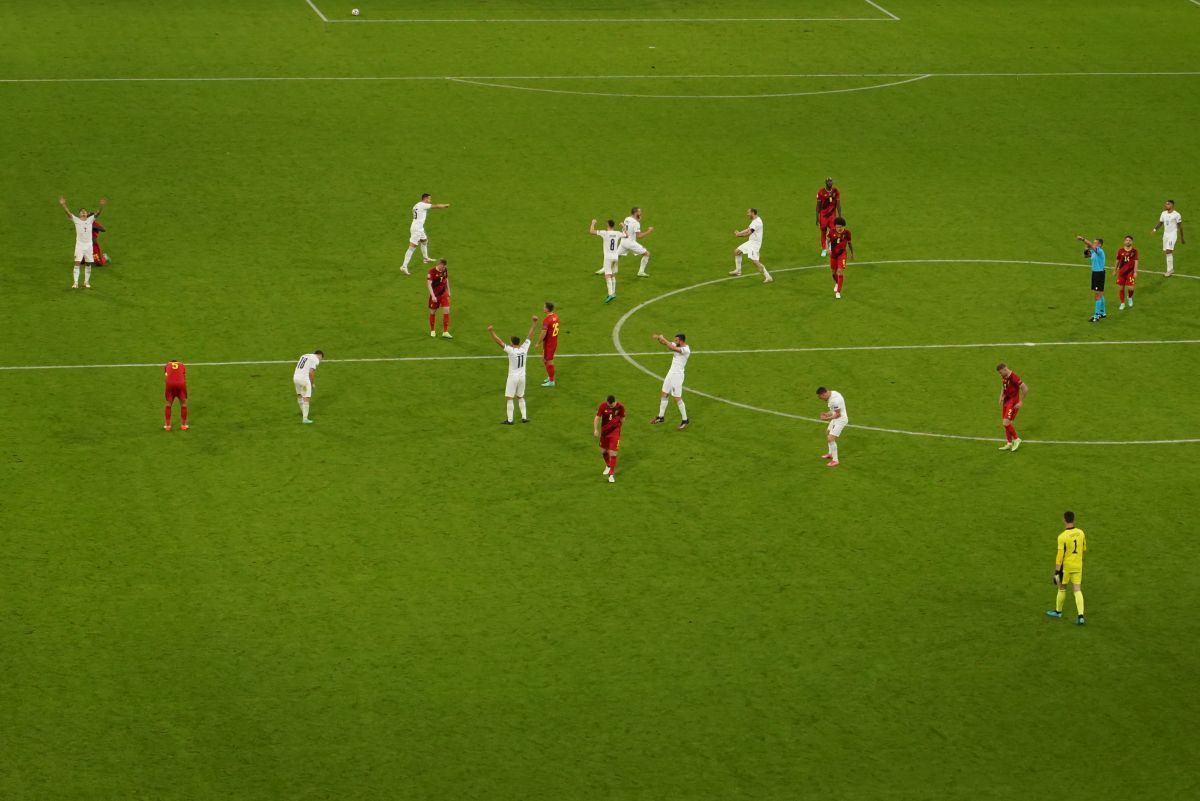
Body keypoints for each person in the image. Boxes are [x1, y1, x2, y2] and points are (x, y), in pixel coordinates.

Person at [488, 317, 539, 424]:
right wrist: (534, 323)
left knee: (509, 397)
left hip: (513, 377)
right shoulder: (524, 348)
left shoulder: (511, 351)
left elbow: (499, 342)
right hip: (522, 377)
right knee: (520, 396)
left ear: (512, 343)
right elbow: (530, 335)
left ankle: (510, 420)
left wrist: (491, 331)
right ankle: (524, 417)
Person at [1046, 511, 1087, 626]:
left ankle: (1058, 612)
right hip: (1078, 565)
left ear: (1064, 520)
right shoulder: (1081, 533)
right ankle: (1081, 616)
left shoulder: (1062, 537)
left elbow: (1060, 556)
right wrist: (1079, 560)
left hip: (1066, 567)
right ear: (1073, 519)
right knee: (1077, 589)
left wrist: (1056, 572)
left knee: (1061, 587)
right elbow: (1084, 549)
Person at [58, 195, 107, 289]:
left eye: (85, 212)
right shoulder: (76, 220)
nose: (84, 212)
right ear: (79, 214)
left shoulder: (90, 219)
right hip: (80, 245)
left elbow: (97, 214)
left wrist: (101, 206)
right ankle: (75, 283)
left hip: (89, 246)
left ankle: (86, 282)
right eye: (82, 212)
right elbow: (68, 213)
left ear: (86, 214)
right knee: (77, 263)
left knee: (89, 264)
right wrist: (63, 205)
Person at [401, 193, 450, 275]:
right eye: (429, 199)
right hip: (417, 229)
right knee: (412, 247)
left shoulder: (416, 205)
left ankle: (425, 258)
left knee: (424, 241)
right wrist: (445, 205)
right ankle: (404, 266)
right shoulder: (423, 205)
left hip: (419, 228)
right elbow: (436, 206)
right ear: (425, 199)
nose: (430, 201)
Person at [649, 333, 690, 430]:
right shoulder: (677, 345)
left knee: (677, 398)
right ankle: (661, 417)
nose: (675, 342)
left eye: (676, 340)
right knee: (664, 393)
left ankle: (685, 419)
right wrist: (659, 338)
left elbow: (672, 348)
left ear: (681, 340)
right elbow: (665, 343)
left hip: (677, 376)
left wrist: (664, 339)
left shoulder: (686, 349)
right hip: (670, 373)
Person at [729, 207, 773, 283]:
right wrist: (739, 232)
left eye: (748, 213)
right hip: (751, 242)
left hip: (754, 245)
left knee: (755, 262)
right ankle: (738, 271)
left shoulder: (757, 222)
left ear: (753, 213)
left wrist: (739, 235)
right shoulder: (755, 220)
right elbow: (748, 229)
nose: (747, 214)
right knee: (737, 251)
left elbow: (748, 233)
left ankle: (768, 277)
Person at [995, 363, 1028, 451]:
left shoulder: (1014, 378)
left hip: (1012, 403)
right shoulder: (1004, 376)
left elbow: (1025, 388)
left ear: (1005, 369)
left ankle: (1017, 439)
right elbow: (1004, 386)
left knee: (1006, 423)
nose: (1000, 375)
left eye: (1000, 373)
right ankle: (1009, 443)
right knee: (1007, 423)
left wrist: (1021, 401)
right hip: (1006, 401)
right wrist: (1001, 395)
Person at [594, 395, 625, 484]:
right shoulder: (603, 406)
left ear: (614, 402)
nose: (609, 405)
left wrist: (619, 427)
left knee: (613, 452)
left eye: (610, 405)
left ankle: (611, 474)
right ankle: (608, 465)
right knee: (604, 451)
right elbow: (597, 418)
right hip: (605, 433)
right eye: (608, 404)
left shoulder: (620, 407)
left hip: (615, 432)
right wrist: (596, 429)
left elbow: (623, 418)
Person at [1075, 235, 1106, 321]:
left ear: (1100, 245)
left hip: (1098, 274)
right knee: (1100, 294)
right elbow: (1085, 255)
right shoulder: (1094, 252)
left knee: (1097, 296)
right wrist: (1086, 247)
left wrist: (1083, 239)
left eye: (1095, 243)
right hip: (1096, 274)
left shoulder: (1099, 251)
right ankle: (1103, 312)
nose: (1093, 244)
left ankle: (1096, 316)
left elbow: (1091, 246)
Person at [590, 218, 623, 302]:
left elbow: (592, 231)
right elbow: (627, 235)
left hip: (608, 258)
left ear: (607, 225)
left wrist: (593, 223)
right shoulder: (617, 233)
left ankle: (610, 294)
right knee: (613, 274)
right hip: (615, 257)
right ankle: (614, 292)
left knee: (607, 275)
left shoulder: (605, 233)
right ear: (614, 225)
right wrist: (624, 227)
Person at [618, 206, 654, 277]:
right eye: (639, 212)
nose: (640, 213)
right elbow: (639, 236)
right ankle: (641, 272)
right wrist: (649, 231)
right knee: (647, 254)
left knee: (615, 256)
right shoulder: (636, 223)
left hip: (623, 241)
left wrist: (638, 221)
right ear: (635, 213)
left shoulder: (627, 218)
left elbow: (631, 225)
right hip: (630, 243)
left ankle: (604, 269)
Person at [816, 386, 848, 467]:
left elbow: (838, 414)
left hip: (841, 420)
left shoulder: (834, 400)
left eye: (820, 397)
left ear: (823, 394)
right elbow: (834, 411)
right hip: (836, 417)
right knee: (827, 432)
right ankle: (830, 453)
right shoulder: (832, 393)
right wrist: (826, 414)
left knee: (830, 438)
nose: (821, 399)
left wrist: (826, 418)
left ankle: (835, 460)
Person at [1152, 199, 1184, 277]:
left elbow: (1180, 226)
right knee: (1167, 252)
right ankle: (1171, 269)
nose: (1166, 205)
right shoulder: (1163, 213)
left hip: (1172, 235)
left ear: (1172, 205)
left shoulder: (1177, 215)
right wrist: (1155, 229)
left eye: (1168, 204)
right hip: (1165, 235)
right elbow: (1161, 222)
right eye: (1166, 204)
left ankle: (1169, 270)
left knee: (1168, 251)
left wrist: (1182, 237)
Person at [293, 350, 323, 424]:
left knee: (299, 395)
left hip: (295, 377)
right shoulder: (316, 359)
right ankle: (305, 419)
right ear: (320, 355)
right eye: (321, 358)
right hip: (304, 379)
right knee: (306, 398)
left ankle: (303, 412)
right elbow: (311, 372)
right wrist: (312, 383)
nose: (320, 360)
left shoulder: (304, 355)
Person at [827, 217, 854, 299]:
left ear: (843, 226)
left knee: (840, 271)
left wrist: (852, 253)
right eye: (837, 227)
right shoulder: (831, 232)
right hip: (833, 255)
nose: (838, 228)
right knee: (833, 273)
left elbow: (849, 243)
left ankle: (838, 292)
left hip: (842, 255)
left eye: (840, 227)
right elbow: (827, 240)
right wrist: (827, 248)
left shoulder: (847, 233)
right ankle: (837, 283)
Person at [815, 177, 842, 256]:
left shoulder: (836, 191)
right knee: (823, 232)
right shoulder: (821, 192)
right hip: (823, 216)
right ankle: (824, 249)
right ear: (826, 183)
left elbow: (838, 205)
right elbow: (818, 206)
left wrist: (840, 216)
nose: (830, 183)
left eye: (831, 181)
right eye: (828, 181)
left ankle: (830, 247)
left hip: (832, 216)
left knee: (833, 232)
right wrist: (817, 216)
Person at [427, 259, 452, 338]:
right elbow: (429, 285)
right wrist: (433, 296)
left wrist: (448, 291)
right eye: (443, 266)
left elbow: (446, 279)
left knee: (447, 310)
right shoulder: (431, 272)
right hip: (435, 295)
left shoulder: (445, 270)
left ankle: (445, 331)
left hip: (443, 293)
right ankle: (432, 330)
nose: (444, 268)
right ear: (440, 264)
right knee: (433, 312)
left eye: (445, 267)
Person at [538, 302, 560, 387]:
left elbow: (543, 333)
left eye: (544, 307)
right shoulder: (556, 317)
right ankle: (550, 376)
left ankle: (551, 381)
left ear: (547, 309)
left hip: (549, 344)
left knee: (549, 362)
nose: (543, 308)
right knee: (545, 359)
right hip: (552, 342)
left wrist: (538, 343)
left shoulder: (547, 320)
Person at [1114, 235, 1138, 310]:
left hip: (1130, 272)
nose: (1128, 241)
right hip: (1121, 272)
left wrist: (1135, 271)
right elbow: (1117, 260)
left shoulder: (1134, 251)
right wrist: (1115, 270)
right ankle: (1122, 303)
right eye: (1127, 240)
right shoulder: (1120, 250)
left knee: (1131, 288)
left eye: (1129, 240)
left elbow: (1136, 261)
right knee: (1121, 288)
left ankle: (1130, 297)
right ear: (1124, 241)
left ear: (1132, 242)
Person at [163, 360, 188, 431]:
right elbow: (183, 375)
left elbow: (166, 375)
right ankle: (183, 425)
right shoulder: (182, 365)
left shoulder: (167, 365)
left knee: (168, 404)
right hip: (181, 384)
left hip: (170, 384)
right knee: (183, 404)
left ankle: (167, 426)